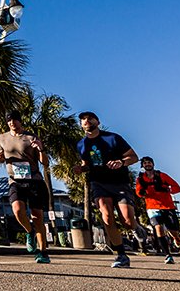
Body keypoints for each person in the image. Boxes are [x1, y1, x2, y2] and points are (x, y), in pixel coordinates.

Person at [74, 111, 139, 268]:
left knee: (128, 222)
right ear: (81, 125)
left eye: (90, 118)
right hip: (98, 183)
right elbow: (87, 164)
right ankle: (121, 255)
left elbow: (133, 157)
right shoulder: (81, 144)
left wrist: (121, 162)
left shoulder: (113, 138)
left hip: (119, 183)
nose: (86, 121)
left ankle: (137, 228)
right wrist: (81, 169)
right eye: (83, 119)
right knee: (107, 216)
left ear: (98, 121)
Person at [0, 110, 51, 264]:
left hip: (34, 180)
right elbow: (0, 155)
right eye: (9, 120)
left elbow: (45, 163)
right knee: (18, 210)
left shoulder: (31, 137)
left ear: (21, 121)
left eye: (15, 120)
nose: (12, 123)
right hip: (15, 180)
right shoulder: (2, 138)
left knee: (37, 217)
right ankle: (29, 231)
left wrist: (40, 148)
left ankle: (43, 252)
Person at [134, 156, 180, 264]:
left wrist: (167, 189)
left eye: (149, 162)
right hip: (152, 207)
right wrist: (142, 192)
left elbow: (178, 188)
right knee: (158, 228)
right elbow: (138, 192)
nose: (148, 164)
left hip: (167, 206)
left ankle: (177, 238)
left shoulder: (162, 175)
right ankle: (167, 255)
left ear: (153, 164)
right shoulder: (140, 179)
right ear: (142, 166)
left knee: (172, 230)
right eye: (145, 163)